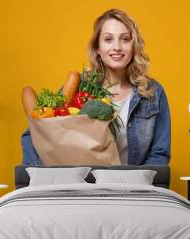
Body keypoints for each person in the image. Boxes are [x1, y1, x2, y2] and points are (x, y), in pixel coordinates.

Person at [21, 8, 171, 166]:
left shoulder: (153, 93)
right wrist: (40, 180)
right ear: (98, 48)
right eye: (108, 39)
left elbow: (159, 153)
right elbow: (35, 133)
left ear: (134, 46)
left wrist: (140, 186)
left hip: (133, 187)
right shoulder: (77, 89)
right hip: (85, 187)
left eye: (125, 39)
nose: (117, 47)